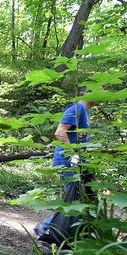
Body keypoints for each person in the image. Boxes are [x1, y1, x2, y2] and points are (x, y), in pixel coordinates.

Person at [34, 89, 96, 238]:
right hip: (67, 161)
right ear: (88, 92)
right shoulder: (77, 108)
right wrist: (72, 154)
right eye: (100, 91)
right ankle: (47, 228)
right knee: (73, 198)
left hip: (77, 162)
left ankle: (73, 233)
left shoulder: (85, 112)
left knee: (81, 197)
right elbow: (60, 132)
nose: (104, 96)